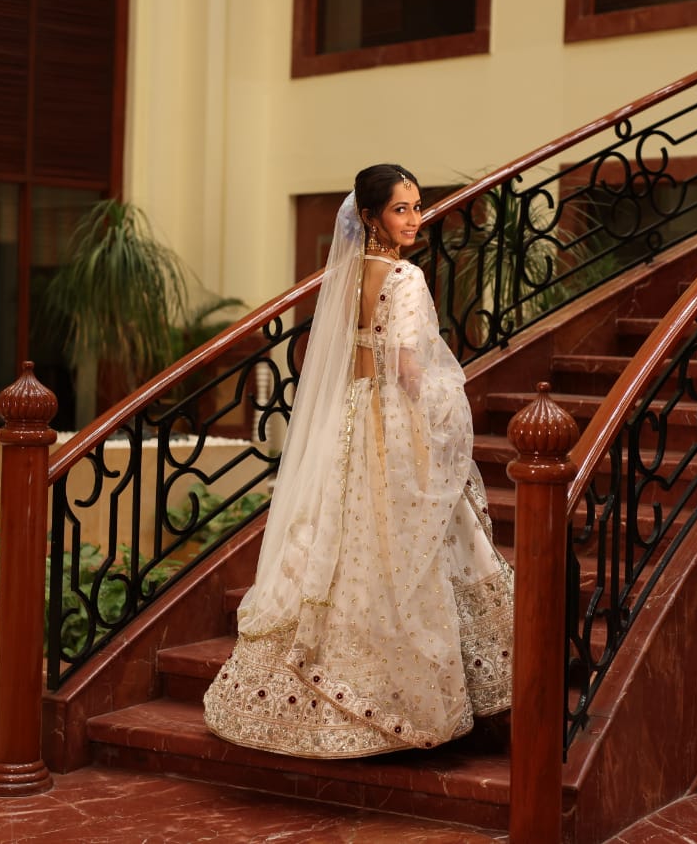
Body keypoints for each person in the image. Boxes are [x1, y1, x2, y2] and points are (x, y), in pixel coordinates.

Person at [203, 164, 514, 758]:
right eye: (402, 209)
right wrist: (444, 413)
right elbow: (407, 367)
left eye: (418, 207)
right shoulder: (406, 277)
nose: (415, 219)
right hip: (395, 423)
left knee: (343, 546)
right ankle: (401, 696)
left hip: (348, 422)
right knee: (409, 549)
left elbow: (348, 361)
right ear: (370, 217)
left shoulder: (346, 277)